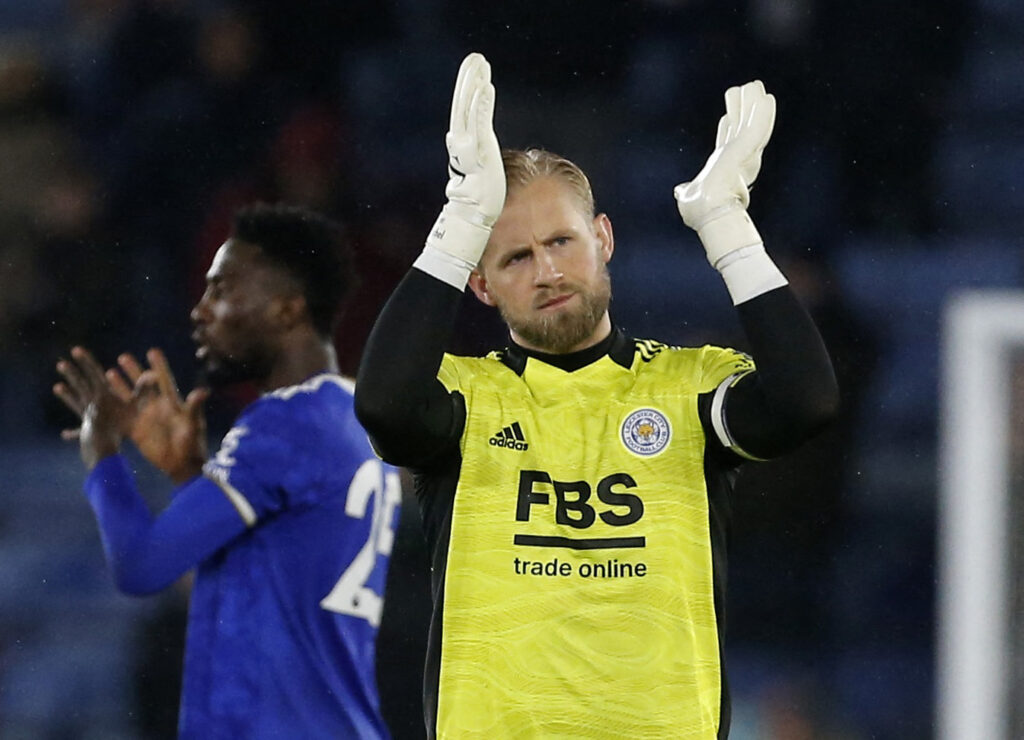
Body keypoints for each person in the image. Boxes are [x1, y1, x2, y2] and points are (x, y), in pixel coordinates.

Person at [354, 53, 839, 739]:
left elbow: (805, 402)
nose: (548, 270)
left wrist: (727, 225)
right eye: (515, 257)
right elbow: (382, 407)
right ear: (481, 286)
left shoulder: (689, 387)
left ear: (603, 239)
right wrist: (461, 221)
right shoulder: (469, 397)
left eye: (562, 241)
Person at [54, 203, 400, 739]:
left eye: (221, 290)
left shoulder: (285, 424)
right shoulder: (350, 418)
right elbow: (261, 584)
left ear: (287, 311)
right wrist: (191, 475)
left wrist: (103, 454)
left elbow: (141, 567)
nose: (199, 309)